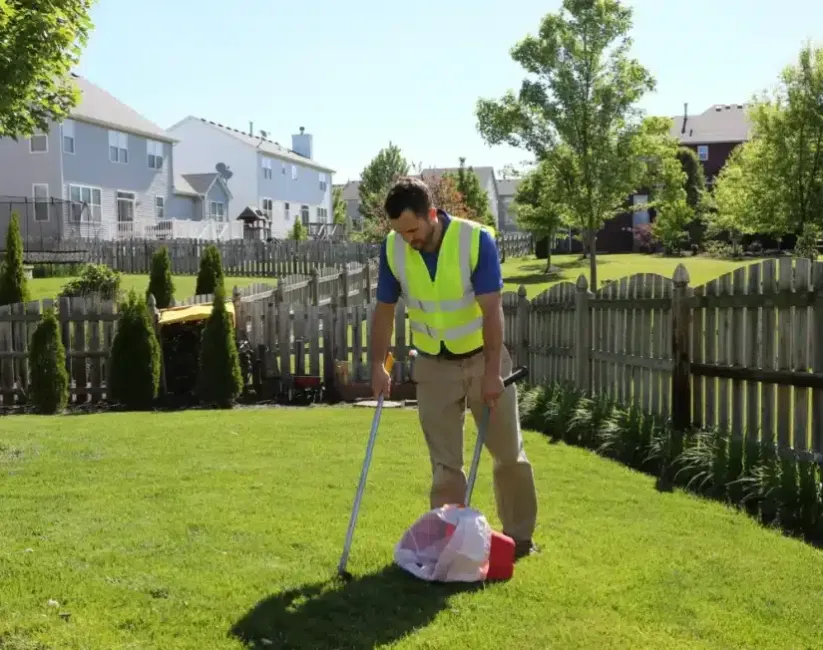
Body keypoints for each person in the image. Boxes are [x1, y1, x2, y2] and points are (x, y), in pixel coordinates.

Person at [369, 176, 538, 559]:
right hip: (432, 366)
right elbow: (382, 312)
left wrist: (493, 373)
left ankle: (520, 539)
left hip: (483, 359)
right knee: (445, 465)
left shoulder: (475, 240)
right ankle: (449, 542)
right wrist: (378, 364)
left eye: (413, 229)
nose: (407, 238)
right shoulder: (393, 249)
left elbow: (492, 310)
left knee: (508, 454)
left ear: (432, 214)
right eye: (399, 231)